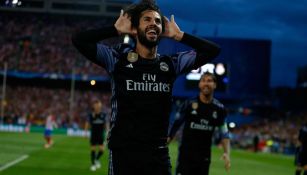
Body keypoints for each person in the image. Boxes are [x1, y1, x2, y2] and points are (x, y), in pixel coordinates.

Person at [72, 0, 220, 174]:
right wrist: (114, 30)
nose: (153, 24)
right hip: (124, 154)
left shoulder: (171, 64)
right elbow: (79, 40)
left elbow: (213, 50)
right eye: (147, 20)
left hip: (158, 155)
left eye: (157, 21)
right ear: (135, 28)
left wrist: (180, 36)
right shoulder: (118, 59)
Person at [168, 72, 230, 175]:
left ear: (215, 85)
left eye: (209, 81)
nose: (206, 83)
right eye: (203, 80)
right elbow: (175, 125)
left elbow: (224, 133)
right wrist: (166, 142)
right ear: (199, 84)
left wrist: (226, 153)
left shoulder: (219, 109)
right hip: (186, 156)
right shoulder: (188, 104)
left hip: (204, 157)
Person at [85, 100, 108, 171]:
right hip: (94, 134)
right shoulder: (91, 114)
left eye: (98, 105)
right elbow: (87, 123)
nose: (97, 106)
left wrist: (107, 132)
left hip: (101, 134)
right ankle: (93, 165)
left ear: (100, 106)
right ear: (94, 106)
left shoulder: (103, 114)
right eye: (96, 105)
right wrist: (85, 132)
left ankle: (96, 160)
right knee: (93, 150)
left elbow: (106, 124)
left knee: (102, 150)